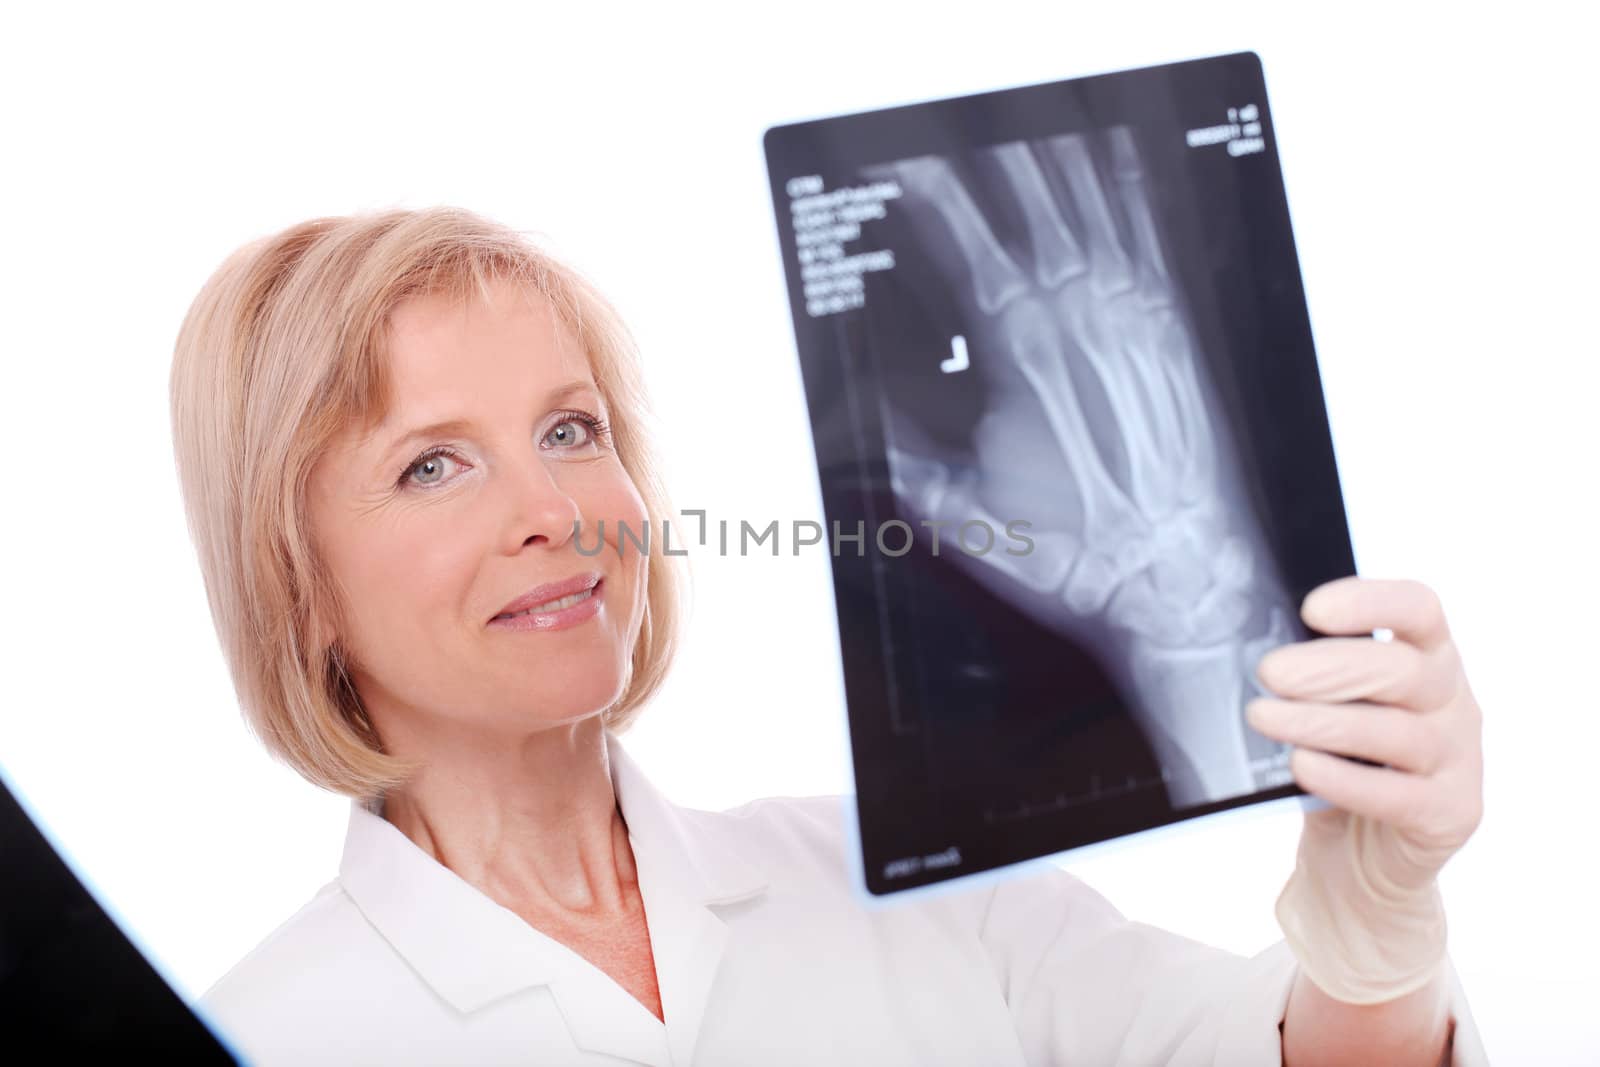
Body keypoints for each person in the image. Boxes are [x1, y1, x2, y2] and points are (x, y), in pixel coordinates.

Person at [169, 207, 1488, 1065]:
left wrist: (1377, 924)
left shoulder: (910, 882)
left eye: (572, 432)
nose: (556, 511)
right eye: (434, 466)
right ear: (300, 587)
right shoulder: (265, 1034)